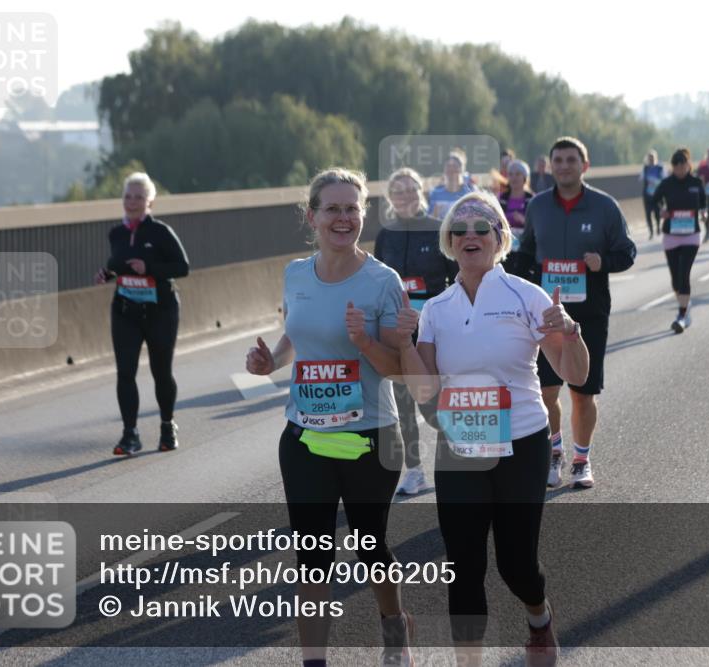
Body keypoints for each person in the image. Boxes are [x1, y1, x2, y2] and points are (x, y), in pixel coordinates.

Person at [397, 191, 589, 667]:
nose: (470, 236)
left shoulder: (527, 295)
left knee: (516, 565)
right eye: (459, 230)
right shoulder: (438, 309)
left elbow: (575, 374)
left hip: (521, 445)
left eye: (482, 227)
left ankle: (539, 618)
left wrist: (572, 333)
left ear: (500, 237)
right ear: (448, 242)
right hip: (460, 447)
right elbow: (425, 390)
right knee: (463, 567)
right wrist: (403, 342)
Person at [245, 168, 413, 666]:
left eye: (352, 209)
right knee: (312, 559)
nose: (343, 218)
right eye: (333, 209)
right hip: (306, 438)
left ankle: (395, 629)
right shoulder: (296, 274)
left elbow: (396, 368)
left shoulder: (383, 281)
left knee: (370, 546)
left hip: (368, 437)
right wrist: (269, 362)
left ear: (363, 214)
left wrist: (363, 341)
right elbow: (297, 334)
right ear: (312, 215)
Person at [514, 136, 637, 489]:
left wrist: (603, 262)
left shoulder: (605, 207)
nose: (564, 166)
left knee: (583, 392)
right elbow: (526, 253)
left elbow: (627, 252)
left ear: (584, 166)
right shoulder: (538, 207)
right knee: (546, 392)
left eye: (571, 160)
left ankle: (582, 460)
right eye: (559, 160)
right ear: (550, 166)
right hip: (546, 315)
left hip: (588, 315)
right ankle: (555, 453)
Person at [94, 172, 189, 456]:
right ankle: (129, 434)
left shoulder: (160, 232)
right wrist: (107, 273)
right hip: (125, 310)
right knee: (125, 372)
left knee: (161, 372)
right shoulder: (117, 233)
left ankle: (167, 425)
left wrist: (149, 269)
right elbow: (118, 265)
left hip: (161, 310)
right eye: (127, 196)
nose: (131, 202)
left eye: (138, 197)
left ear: (150, 202)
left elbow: (182, 267)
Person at [375, 167, 457, 495]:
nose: (405, 196)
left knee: (432, 406)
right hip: (398, 334)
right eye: (398, 191)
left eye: (411, 189)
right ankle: (415, 471)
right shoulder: (386, 234)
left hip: (433, 335)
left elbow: (458, 278)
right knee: (403, 405)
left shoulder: (438, 230)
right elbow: (378, 283)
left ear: (421, 191)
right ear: (390, 198)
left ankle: (457, 456)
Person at [651, 148, 705, 333]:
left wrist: (704, 213)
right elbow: (654, 200)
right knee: (675, 280)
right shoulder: (666, 184)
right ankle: (685, 305)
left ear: (688, 165)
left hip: (691, 235)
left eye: (683, 166)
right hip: (671, 235)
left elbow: (704, 203)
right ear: (672, 167)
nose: (680, 169)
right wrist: (661, 211)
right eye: (676, 166)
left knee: (684, 274)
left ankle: (682, 315)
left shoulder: (696, 182)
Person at [429, 149, 476, 219]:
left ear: (462, 169)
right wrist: (434, 214)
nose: (451, 169)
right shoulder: (435, 193)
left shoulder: (470, 191)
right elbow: (429, 219)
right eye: (448, 166)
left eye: (455, 166)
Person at [500, 159, 535, 244]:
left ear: (525, 177)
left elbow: (538, 225)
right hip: (505, 244)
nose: (514, 178)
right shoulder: (502, 198)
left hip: (527, 245)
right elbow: (495, 222)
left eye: (518, 174)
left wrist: (524, 221)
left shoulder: (533, 199)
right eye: (511, 174)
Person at [640, 150, 666, 240]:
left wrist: (657, 182)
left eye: (652, 158)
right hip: (647, 195)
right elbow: (641, 178)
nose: (651, 159)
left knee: (657, 213)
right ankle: (651, 232)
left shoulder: (660, 168)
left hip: (657, 195)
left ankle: (658, 227)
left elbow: (664, 179)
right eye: (649, 158)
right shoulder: (645, 168)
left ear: (656, 158)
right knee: (648, 214)